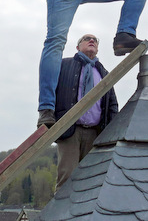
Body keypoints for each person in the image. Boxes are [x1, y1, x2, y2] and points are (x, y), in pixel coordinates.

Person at [54, 33, 118, 189]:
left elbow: (112, 104)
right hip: (70, 130)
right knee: (67, 176)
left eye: (95, 40)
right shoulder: (63, 65)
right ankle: (60, 213)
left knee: (89, 179)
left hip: (95, 133)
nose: (92, 41)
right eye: (86, 39)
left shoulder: (103, 73)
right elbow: (51, 91)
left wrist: (112, 131)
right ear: (77, 47)